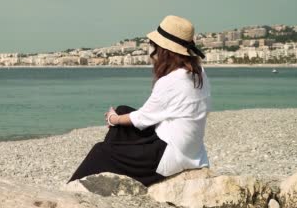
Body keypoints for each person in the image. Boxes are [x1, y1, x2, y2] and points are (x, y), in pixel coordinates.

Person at [68, 15, 211, 187]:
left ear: (164, 50)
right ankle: (114, 165)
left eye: (155, 46)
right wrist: (119, 117)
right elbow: (152, 115)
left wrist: (113, 119)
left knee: (101, 151)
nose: (153, 50)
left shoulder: (171, 81)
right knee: (122, 110)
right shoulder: (198, 73)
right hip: (191, 150)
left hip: (168, 155)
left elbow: (143, 118)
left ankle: (71, 189)